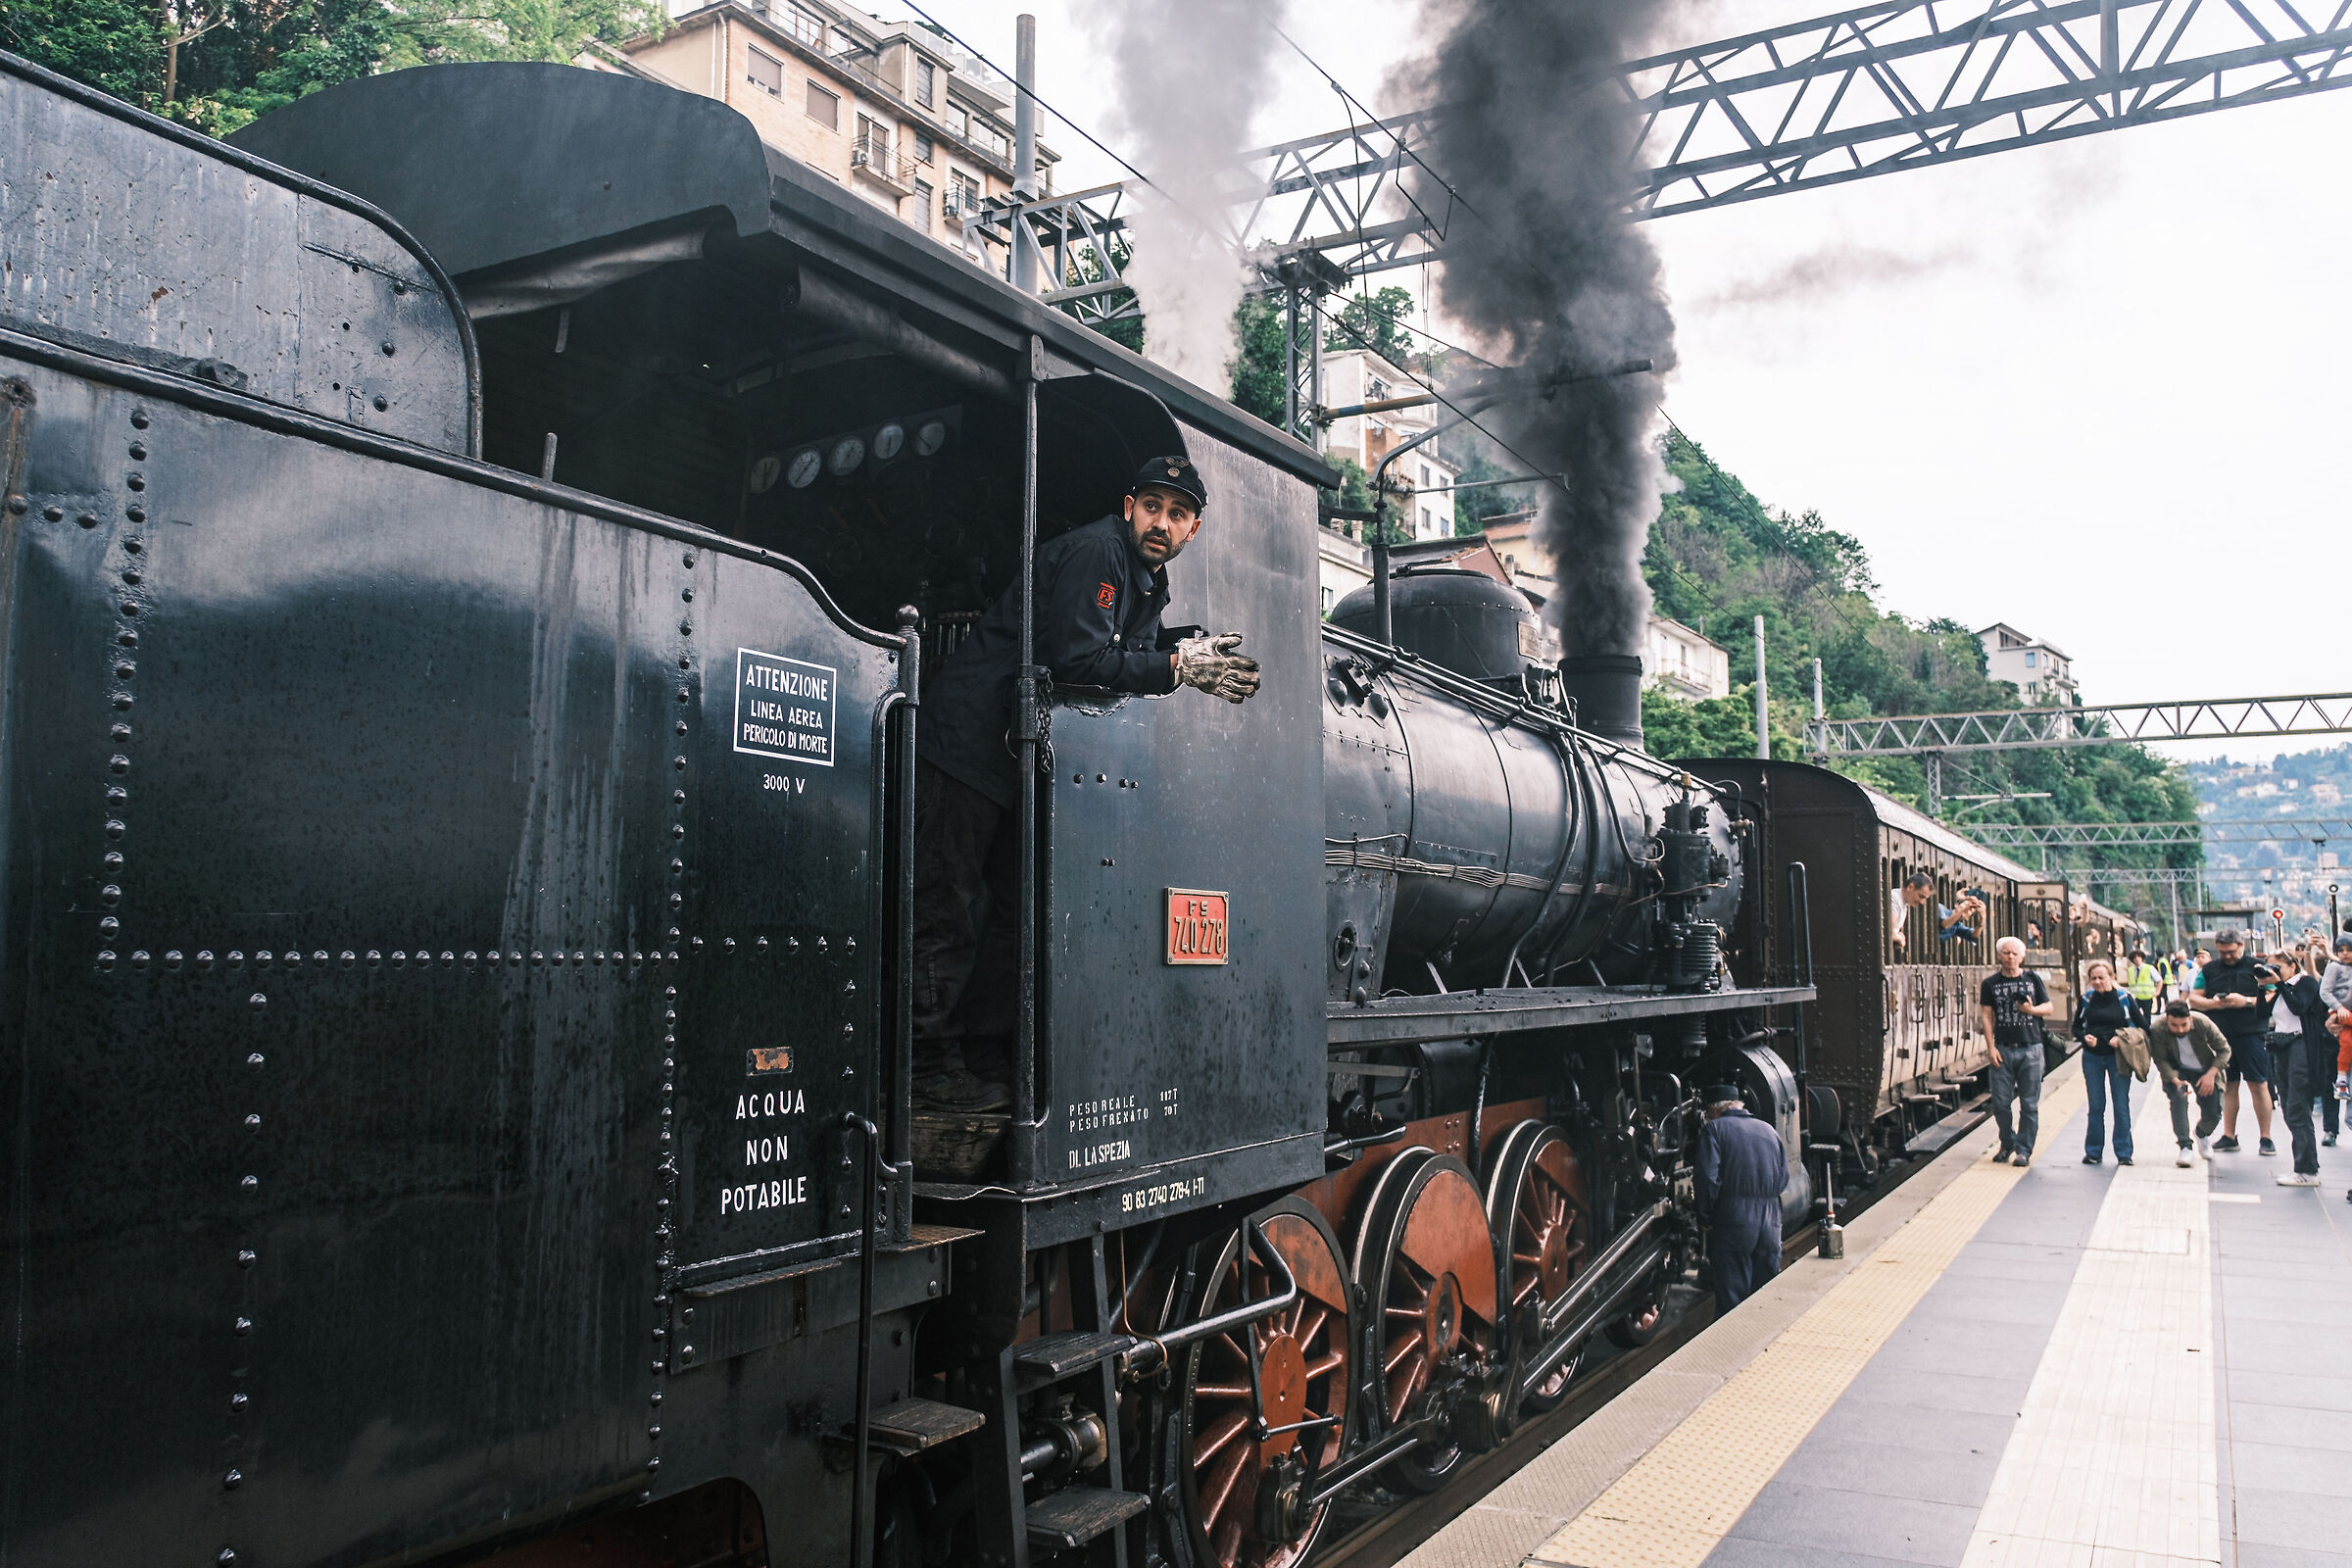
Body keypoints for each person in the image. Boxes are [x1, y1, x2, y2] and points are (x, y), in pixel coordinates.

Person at [909, 457, 1262, 1112]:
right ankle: (924, 1065)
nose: (1161, 523)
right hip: (967, 740)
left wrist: (1186, 649)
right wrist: (1177, 668)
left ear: (1194, 529)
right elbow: (1083, 659)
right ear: (1129, 508)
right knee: (945, 903)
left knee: (1011, 910)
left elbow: (1128, 650)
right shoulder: (1101, 553)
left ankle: (981, 1052)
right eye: (1152, 507)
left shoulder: (1146, 580)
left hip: (1010, 753)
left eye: (1177, 514)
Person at [1695, 1084, 1788, 1309]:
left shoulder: (1715, 1129)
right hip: (1771, 1219)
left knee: (1732, 1298)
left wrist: (1705, 1217)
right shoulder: (1769, 1130)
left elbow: (1707, 1178)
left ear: (1713, 1109)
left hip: (1734, 1219)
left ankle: (1734, 1333)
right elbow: (1784, 1177)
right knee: (1764, 1294)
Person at [2193, 930, 2277, 1154]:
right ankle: (2229, 1135)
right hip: (2221, 1036)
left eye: (2231, 951)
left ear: (2241, 945)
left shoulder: (2258, 967)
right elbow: (2194, 997)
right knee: (2229, 1086)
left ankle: (2266, 1138)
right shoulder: (2209, 969)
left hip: (2252, 1032)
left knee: (2258, 1084)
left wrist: (2246, 1001)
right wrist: (2214, 1004)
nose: (2227, 956)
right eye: (2222, 952)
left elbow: (2272, 993)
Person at [1980, 936, 2055, 1166]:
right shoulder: (1990, 984)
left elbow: (2048, 1007)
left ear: (2022, 956)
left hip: (2031, 1049)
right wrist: (1990, 1047)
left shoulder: (2033, 979)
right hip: (2003, 1049)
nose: (2010, 957)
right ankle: (2007, 1142)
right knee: (2000, 1103)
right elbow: (1986, 1015)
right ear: (1999, 956)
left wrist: (2030, 1010)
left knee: (2029, 1104)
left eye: (2014, 953)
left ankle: (2024, 1150)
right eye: (2006, 953)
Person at [2266, 949, 2332, 1186]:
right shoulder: (2281, 988)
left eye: (2277, 967)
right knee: (2287, 1106)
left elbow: (2299, 1007)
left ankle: (2307, 1170)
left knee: (2297, 1107)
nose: (2274, 971)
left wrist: (2280, 985)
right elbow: (2260, 1013)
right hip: (2282, 1047)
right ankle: (2303, 1167)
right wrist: (2263, 987)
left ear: (2292, 966)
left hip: (2301, 1046)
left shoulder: (2305, 983)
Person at [2074, 959, 2147, 1166]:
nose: (2097, 982)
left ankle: (2124, 1153)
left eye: (2101, 977)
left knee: (2121, 1104)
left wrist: (2122, 1039)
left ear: (2111, 977)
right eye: (2093, 978)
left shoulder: (2124, 998)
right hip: (2092, 1057)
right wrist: (2084, 1038)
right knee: (2096, 1105)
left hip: (2118, 1058)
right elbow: (2076, 1027)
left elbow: (2143, 1027)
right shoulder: (2086, 999)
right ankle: (2093, 1152)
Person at [2154, 1001, 2230, 1166]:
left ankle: (2202, 1133)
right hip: (2176, 1069)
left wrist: (2211, 1074)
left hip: (2204, 1069)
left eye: (2184, 1025)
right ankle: (2185, 1146)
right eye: (2174, 1025)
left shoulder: (2203, 1023)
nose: (2180, 1030)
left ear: (2190, 1018)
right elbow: (2160, 1059)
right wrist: (2174, 1079)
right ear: (2167, 1019)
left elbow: (2224, 1050)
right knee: (2178, 1099)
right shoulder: (2158, 1028)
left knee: (2214, 1112)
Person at [1889, 873, 1984, 954]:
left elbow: (1974, 936)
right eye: (1921, 896)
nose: (1922, 902)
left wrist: (1983, 918)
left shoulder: (1957, 926)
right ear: (1910, 887)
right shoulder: (1940, 909)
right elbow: (1945, 924)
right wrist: (1899, 938)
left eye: (1971, 910)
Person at [2121, 948, 2162, 1014]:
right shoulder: (2130, 970)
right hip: (2135, 997)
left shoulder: (2149, 968)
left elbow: (2159, 980)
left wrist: (2157, 992)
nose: (2137, 959)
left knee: (2147, 1016)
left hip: (2147, 997)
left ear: (2142, 958)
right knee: (2134, 1015)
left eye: (2139, 956)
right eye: (2134, 957)